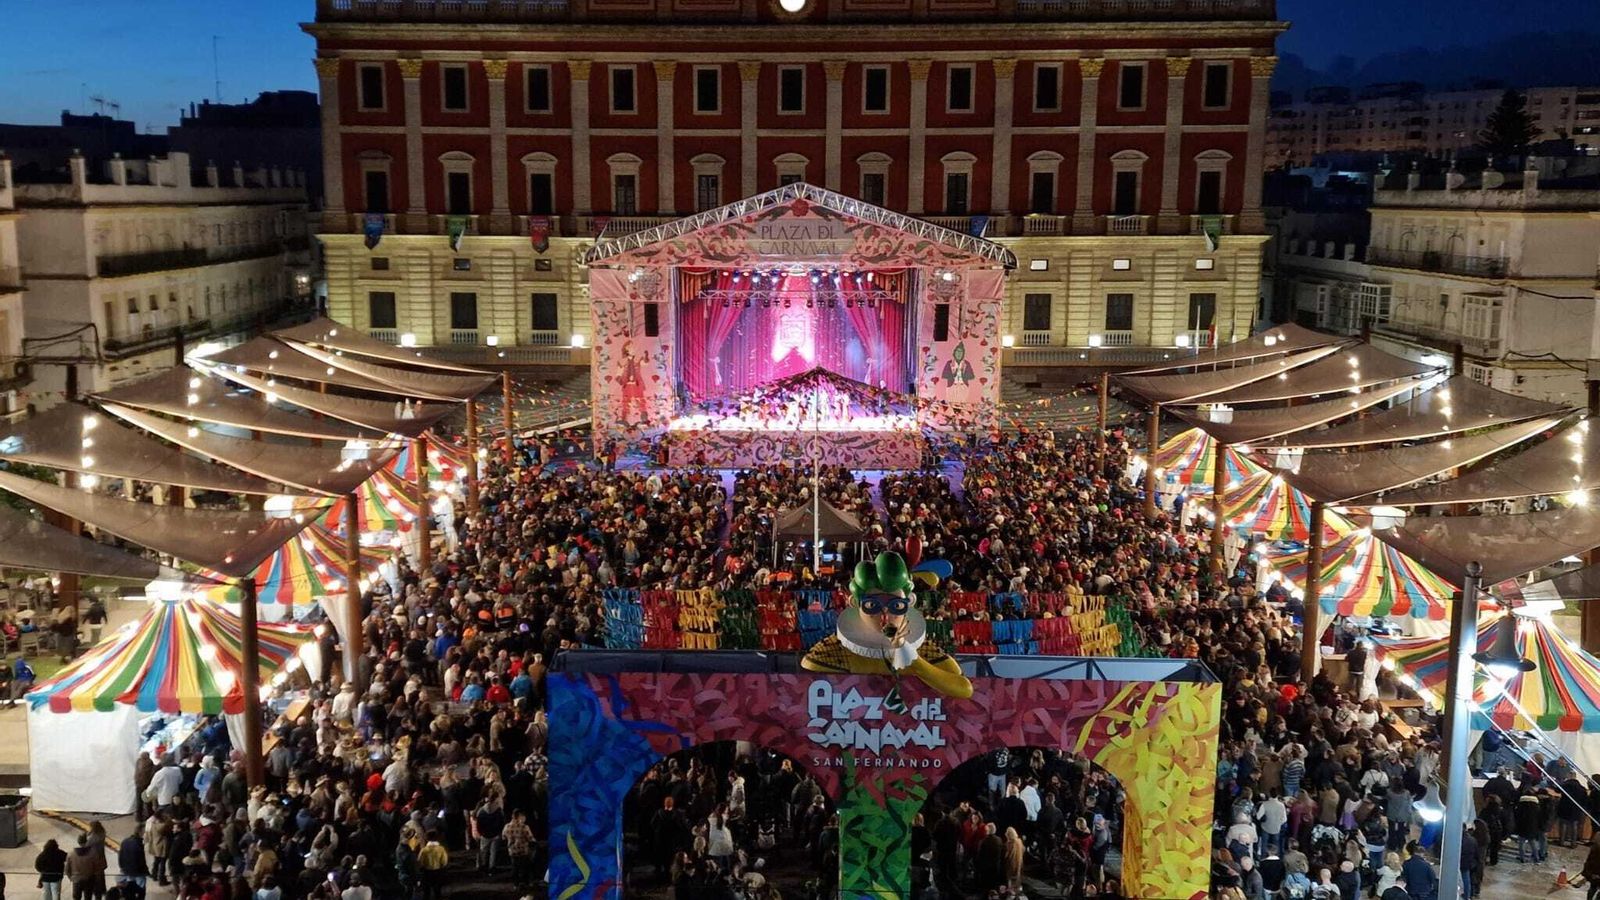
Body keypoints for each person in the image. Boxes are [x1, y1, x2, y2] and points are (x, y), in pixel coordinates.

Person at [64, 833, 106, 900]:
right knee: (88, 897)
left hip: (76, 879)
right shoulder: (93, 853)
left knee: (76, 897)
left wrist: (71, 878)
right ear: (86, 841)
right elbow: (97, 868)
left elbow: (67, 869)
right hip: (89, 879)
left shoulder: (71, 853)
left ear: (78, 842)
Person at [117, 824, 149, 900]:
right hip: (138, 872)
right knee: (141, 890)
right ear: (140, 832)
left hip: (127, 871)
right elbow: (141, 861)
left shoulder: (125, 841)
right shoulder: (138, 844)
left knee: (130, 891)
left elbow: (120, 856)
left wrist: (122, 867)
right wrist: (145, 871)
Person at [417, 831, 449, 900]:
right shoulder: (441, 849)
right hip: (438, 872)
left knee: (426, 892)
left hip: (426, 872)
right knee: (437, 891)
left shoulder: (424, 850)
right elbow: (444, 861)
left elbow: (420, 862)